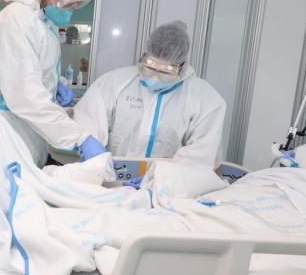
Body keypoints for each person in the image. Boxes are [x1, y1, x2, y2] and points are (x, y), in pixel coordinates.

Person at [0, 0, 105, 166]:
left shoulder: (44, 20)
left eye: (75, 5)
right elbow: (25, 96)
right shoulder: (16, 19)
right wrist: (79, 138)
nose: (69, 12)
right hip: (7, 133)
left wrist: (55, 85)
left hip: (28, 133)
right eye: (65, 4)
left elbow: (35, 69)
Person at [74, 21, 226, 171]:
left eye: (165, 72)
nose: (155, 77)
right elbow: (88, 120)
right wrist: (88, 142)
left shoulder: (205, 99)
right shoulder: (115, 82)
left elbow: (201, 155)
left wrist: (162, 179)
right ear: (143, 57)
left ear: (182, 67)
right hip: (113, 175)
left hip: (169, 184)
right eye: (150, 67)